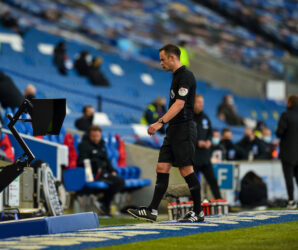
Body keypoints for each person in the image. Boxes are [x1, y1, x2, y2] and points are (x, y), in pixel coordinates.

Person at [127, 44, 203, 222]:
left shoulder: (185, 76)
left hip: (183, 128)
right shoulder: (176, 76)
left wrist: (160, 122)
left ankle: (198, 211)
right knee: (161, 167)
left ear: (172, 57)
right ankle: (152, 210)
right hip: (174, 130)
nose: (161, 63)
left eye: (162, 59)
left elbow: (179, 104)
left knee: (186, 170)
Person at [77, 125, 125, 216]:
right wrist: (90, 173)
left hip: (104, 173)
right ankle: (103, 204)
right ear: (89, 135)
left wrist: (112, 170)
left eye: (97, 136)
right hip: (94, 174)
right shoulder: (84, 145)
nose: (96, 138)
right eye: (93, 136)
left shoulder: (102, 144)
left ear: (100, 135)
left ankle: (103, 204)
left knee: (120, 181)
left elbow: (106, 160)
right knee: (119, 182)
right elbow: (82, 161)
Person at [276, 94, 298, 208]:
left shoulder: (285, 115)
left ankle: (291, 201)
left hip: (287, 150)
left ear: (289, 102)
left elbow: (279, 132)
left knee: (288, 175)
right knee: (297, 173)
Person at [193, 94, 222, 199]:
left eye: (202, 103)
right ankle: (192, 205)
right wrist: (197, 143)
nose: (201, 105)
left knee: (212, 180)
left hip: (205, 157)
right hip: (193, 157)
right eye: (199, 102)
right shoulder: (188, 117)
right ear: (193, 103)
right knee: (192, 184)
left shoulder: (205, 118)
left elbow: (210, 133)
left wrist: (209, 141)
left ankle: (219, 202)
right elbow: (184, 135)